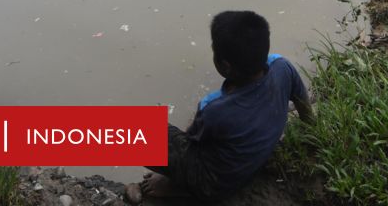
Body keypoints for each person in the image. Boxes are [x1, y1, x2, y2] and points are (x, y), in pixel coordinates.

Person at [126, 11, 313, 203]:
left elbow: (192, 144)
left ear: (225, 66)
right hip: (252, 164)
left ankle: (176, 186)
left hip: (213, 185)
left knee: (138, 130)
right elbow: (304, 106)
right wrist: (311, 132)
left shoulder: (214, 108)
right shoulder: (282, 67)